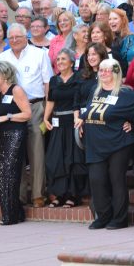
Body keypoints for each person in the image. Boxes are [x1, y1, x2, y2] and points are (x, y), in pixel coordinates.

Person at [78, 59, 134, 230]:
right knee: (97, 180)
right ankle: (103, 216)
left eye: (108, 70)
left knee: (116, 179)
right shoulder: (95, 90)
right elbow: (89, 111)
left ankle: (120, 218)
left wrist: (133, 125)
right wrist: (83, 123)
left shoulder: (125, 93)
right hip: (95, 144)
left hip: (118, 143)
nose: (104, 73)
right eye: (101, 70)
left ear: (116, 72)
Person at [0, 23, 53, 208]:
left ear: (26, 37)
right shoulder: (3, 56)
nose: (14, 40)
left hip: (35, 106)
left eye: (18, 37)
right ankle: (19, 195)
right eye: (11, 38)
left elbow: (48, 83)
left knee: (36, 151)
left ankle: (38, 194)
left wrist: (47, 110)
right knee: (15, 152)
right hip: (11, 110)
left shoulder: (40, 54)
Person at [0, 61, 32, 225]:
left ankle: (10, 215)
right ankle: (14, 212)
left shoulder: (16, 90)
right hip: (1, 135)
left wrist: (7, 117)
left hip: (16, 134)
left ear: (5, 75)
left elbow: (27, 114)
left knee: (11, 173)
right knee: (2, 173)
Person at [43, 48, 88, 208]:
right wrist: (45, 118)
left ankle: (72, 196)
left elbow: (82, 99)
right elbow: (50, 100)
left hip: (73, 122)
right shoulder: (54, 80)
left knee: (73, 160)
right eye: (58, 59)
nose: (60, 62)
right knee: (56, 159)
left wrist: (81, 119)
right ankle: (58, 194)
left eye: (63, 59)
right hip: (57, 123)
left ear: (71, 61)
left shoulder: (79, 77)